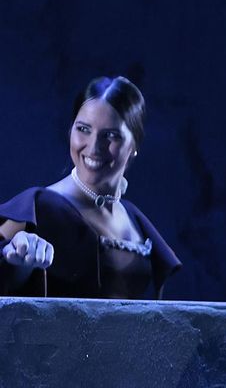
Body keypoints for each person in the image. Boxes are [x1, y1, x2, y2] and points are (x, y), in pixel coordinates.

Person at [1, 76, 179, 298]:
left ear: (134, 145)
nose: (94, 147)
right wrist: (19, 261)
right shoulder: (36, 208)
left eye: (111, 135)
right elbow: (7, 276)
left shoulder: (135, 219)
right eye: (83, 129)